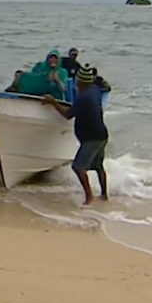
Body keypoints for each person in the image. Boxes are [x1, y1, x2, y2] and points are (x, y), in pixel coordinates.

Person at [40, 65, 108, 205]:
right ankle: (104, 195)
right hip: (102, 135)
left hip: (92, 139)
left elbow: (67, 115)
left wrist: (53, 102)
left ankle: (89, 197)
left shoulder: (83, 97)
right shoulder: (94, 90)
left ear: (79, 82)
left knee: (78, 167)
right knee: (98, 166)